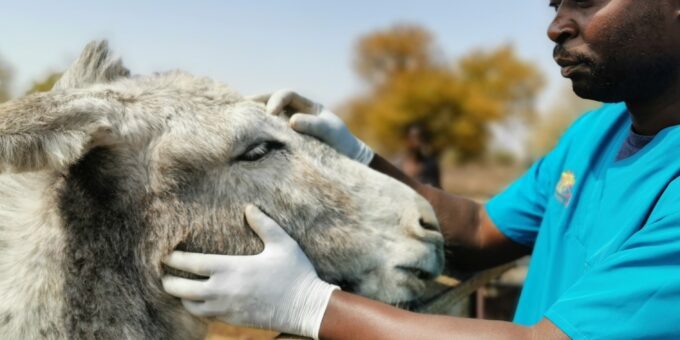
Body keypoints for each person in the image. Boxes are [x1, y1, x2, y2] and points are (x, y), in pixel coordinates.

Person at [161, 1, 680, 339]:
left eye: (585, 0)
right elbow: (480, 230)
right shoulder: (595, 134)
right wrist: (362, 159)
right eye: (555, 4)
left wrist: (308, 305)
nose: (556, 25)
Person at [395, 124, 441, 188]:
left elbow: (438, 191)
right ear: (407, 140)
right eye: (414, 137)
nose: (418, 142)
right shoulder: (397, 166)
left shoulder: (431, 166)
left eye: (420, 138)